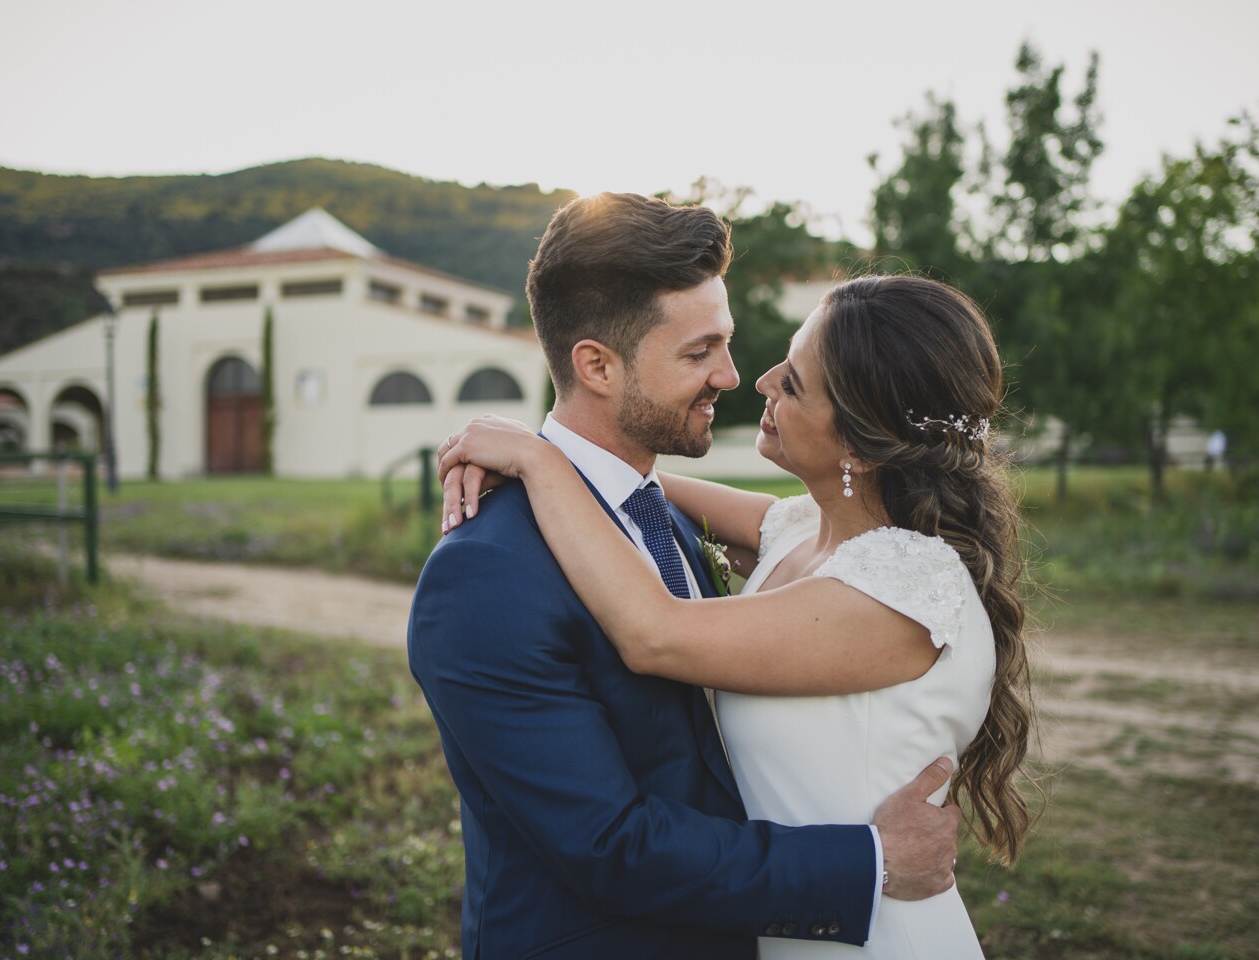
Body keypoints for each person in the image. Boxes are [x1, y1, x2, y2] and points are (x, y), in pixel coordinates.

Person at [407, 194, 962, 960]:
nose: (734, 376)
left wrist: (540, 458)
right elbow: (609, 846)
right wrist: (869, 862)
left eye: (725, 344)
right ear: (597, 366)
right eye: (699, 353)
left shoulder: (664, 513)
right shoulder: (484, 574)